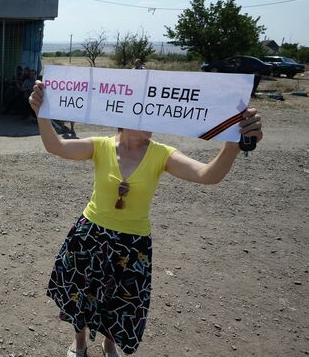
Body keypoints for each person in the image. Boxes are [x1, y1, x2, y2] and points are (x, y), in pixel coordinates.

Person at [28, 82, 263, 357]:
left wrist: (233, 145)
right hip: (90, 236)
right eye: (143, 112)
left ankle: (109, 343)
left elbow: (206, 175)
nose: (152, 118)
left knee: (121, 304)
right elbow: (56, 146)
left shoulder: (162, 154)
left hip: (132, 245)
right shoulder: (100, 146)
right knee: (81, 295)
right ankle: (79, 343)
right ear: (122, 114)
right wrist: (41, 112)